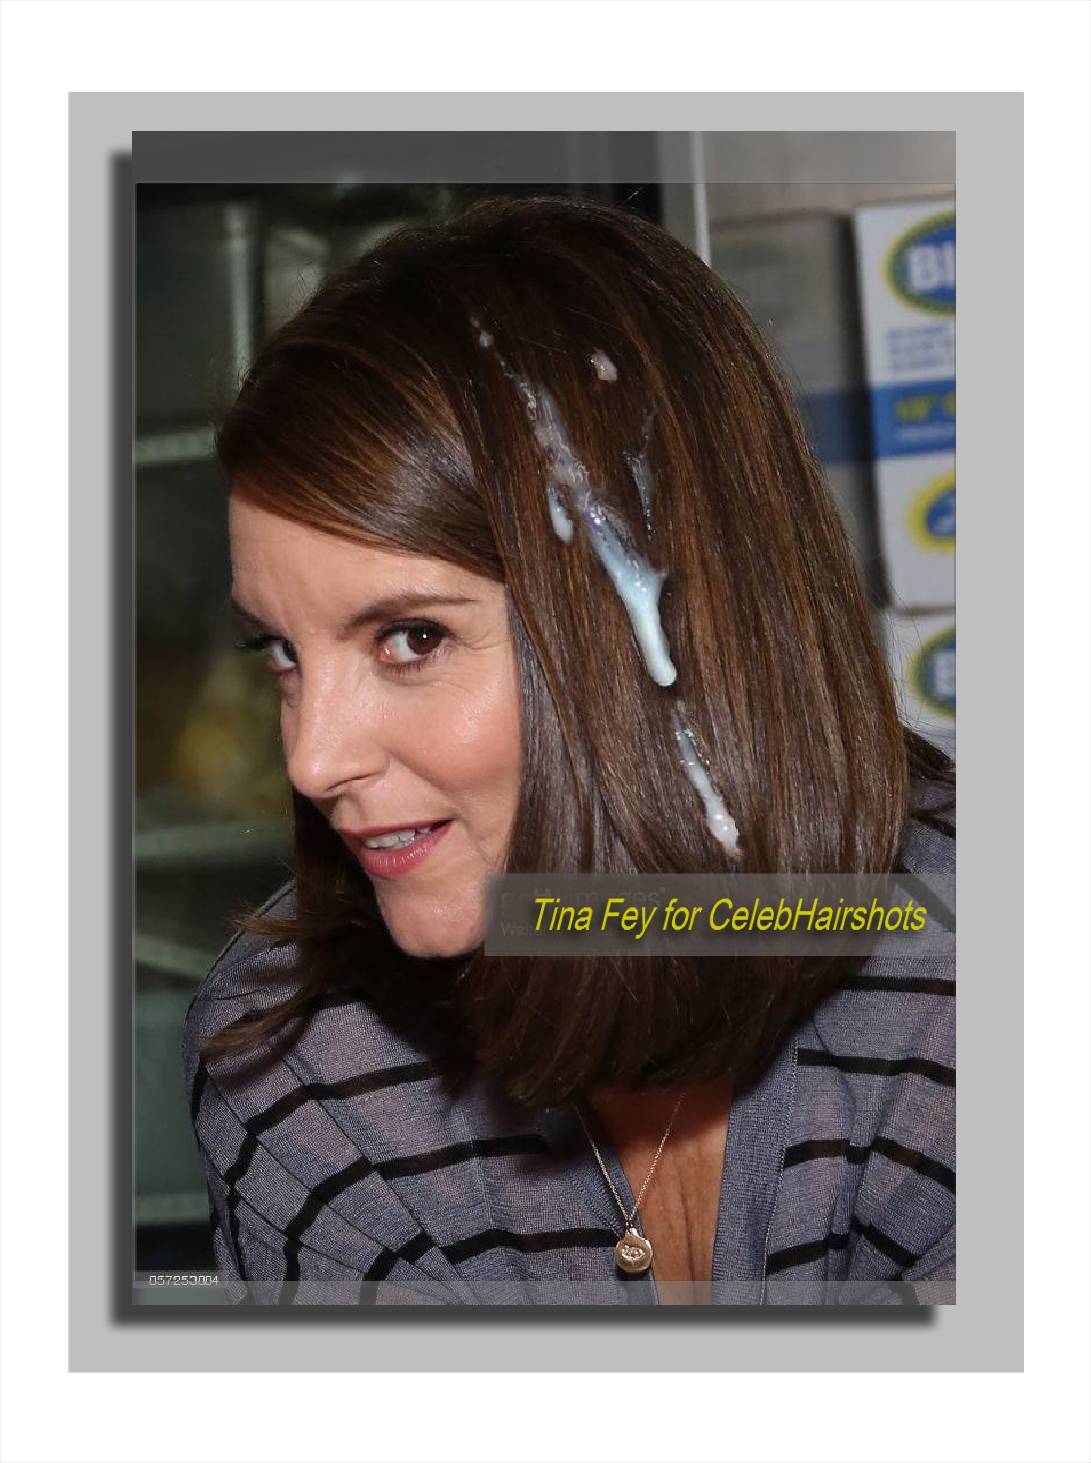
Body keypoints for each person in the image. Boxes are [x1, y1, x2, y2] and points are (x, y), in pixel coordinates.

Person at [181, 194, 955, 1306]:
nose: (312, 760)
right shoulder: (302, 1070)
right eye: (281, 651)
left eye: (411, 638)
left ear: (662, 626)